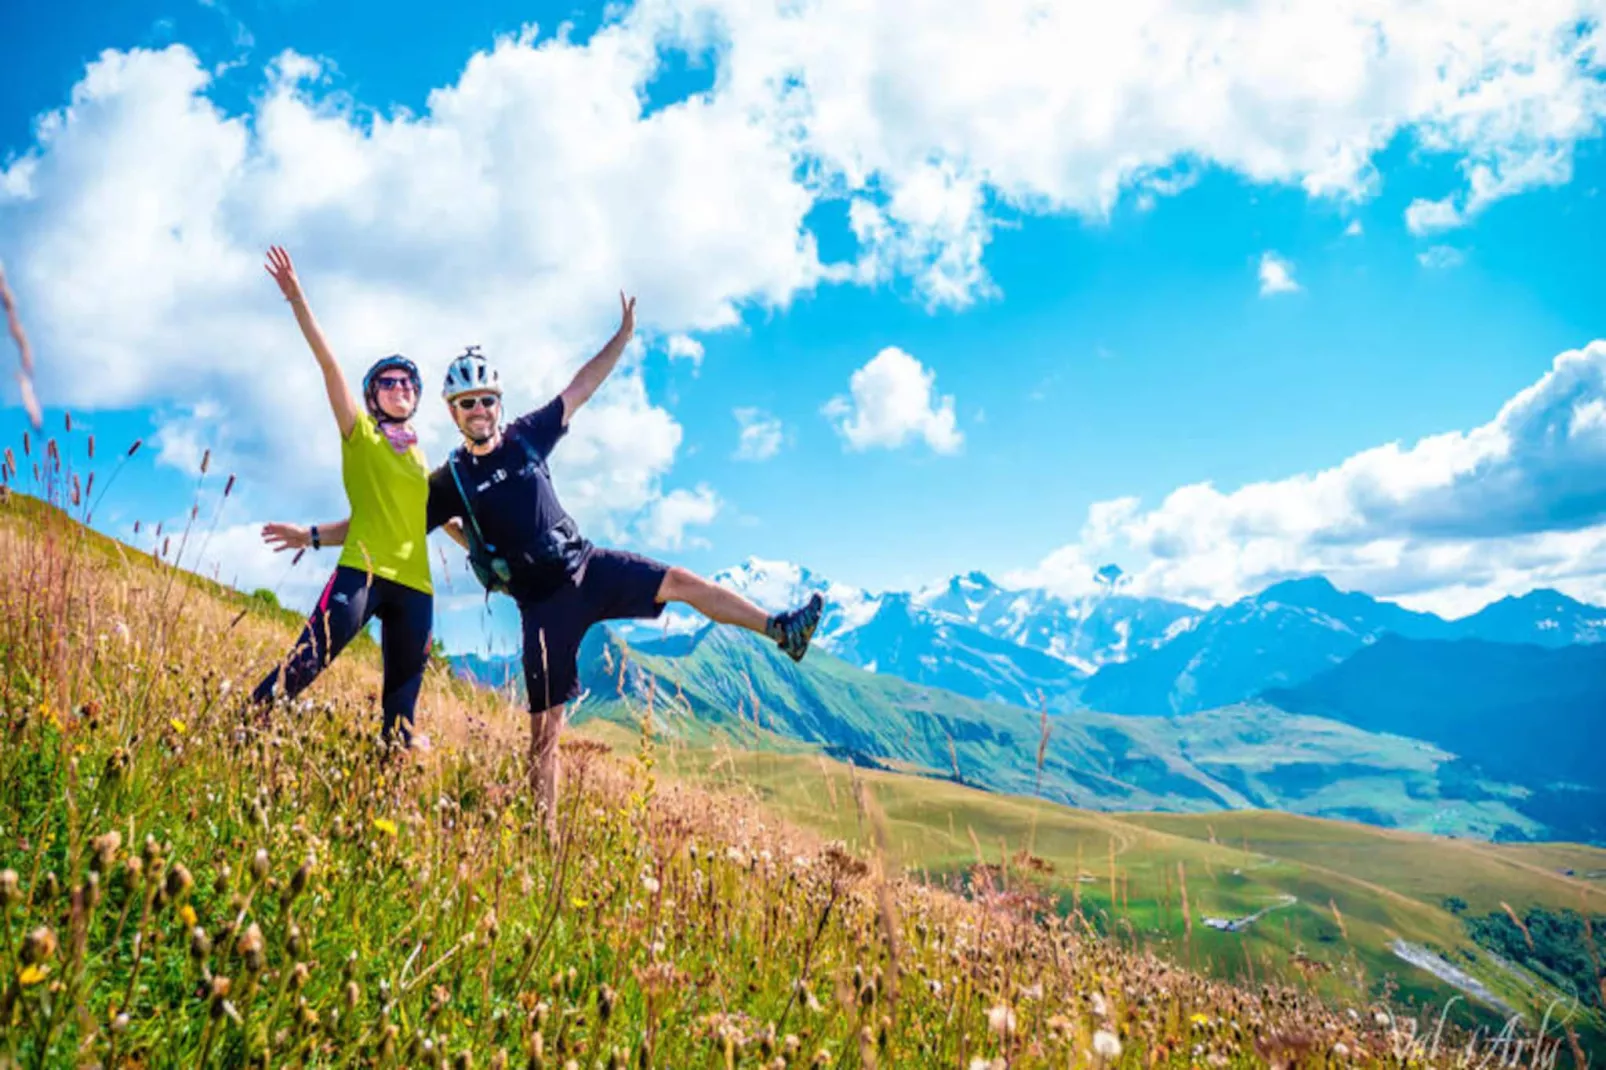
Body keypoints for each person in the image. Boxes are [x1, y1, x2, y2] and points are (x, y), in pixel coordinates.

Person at [281, 293, 824, 833]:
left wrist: (623, 337)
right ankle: (544, 837)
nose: (479, 411)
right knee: (545, 736)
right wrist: (311, 536)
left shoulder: (527, 436)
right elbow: (383, 523)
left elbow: (581, 387)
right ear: (452, 412)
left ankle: (781, 629)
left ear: (498, 402)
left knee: (679, 580)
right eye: (467, 403)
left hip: (587, 567)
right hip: (541, 609)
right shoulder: (449, 482)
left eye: (486, 400)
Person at [249, 246, 434, 750]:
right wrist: (297, 299)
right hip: (363, 573)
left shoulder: (420, 462)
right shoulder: (361, 435)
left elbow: (389, 519)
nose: (399, 388)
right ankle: (239, 734)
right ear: (372, 397)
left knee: (401, 718)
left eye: (407, 384)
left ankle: (386, 808)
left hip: (417, 589)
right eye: (387, 383)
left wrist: (310, 534)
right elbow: (329, 364)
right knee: (303, 664)